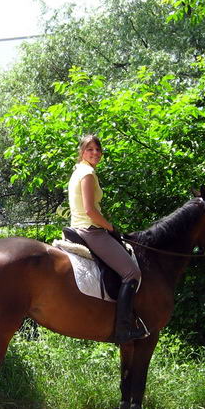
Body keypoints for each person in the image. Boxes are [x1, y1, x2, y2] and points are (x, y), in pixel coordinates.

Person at [67, 134, 149, 344]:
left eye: (98, 149)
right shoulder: (87, 174)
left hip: (81, 226)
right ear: (82, 152)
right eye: (90, 149)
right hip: (90, 229)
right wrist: (111, 228)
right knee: (132, 272)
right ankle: (123, 330)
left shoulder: (79, 171)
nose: (95, 153)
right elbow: (90, 210)